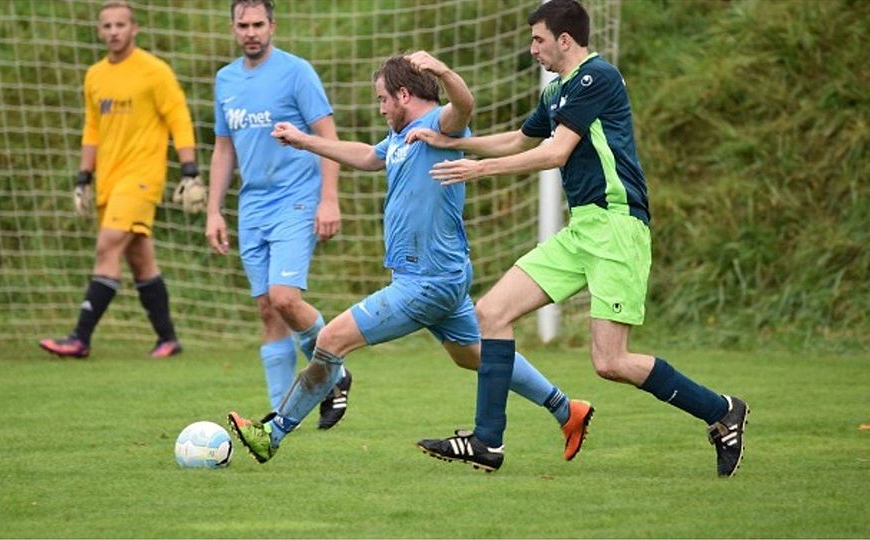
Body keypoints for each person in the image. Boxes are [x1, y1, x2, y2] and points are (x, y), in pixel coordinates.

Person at [409, 0, 749, 477]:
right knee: (491, 313)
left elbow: (556, 152)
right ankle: (487, 442)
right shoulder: (556, 93)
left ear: (564, 40)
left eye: (538, 40)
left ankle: (721, 410)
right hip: (582, 229)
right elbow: (519, 141)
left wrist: (479, 168)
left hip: (616, 227)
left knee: (609, 362)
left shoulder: (597, 77)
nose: (533, 50)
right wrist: (452, 143)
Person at [226, 51, 593, 471]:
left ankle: (270, 435)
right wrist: (304, 139)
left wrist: (441, 70)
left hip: (425, 281)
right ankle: (567, 410)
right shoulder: (399, 137)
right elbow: (367, 156)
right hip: (439, 276)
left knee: (330, 341)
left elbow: (465, 105)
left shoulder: (439, 125)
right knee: (474, 355)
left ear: (404, 94)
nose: (381, 108)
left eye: (383, 99)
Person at [206, 0, 351, 429]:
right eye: (242, 25)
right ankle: (278, 416)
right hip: (252, 207)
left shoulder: (296, 72)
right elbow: (223, 148)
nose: (250, 32)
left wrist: (330, 199)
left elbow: (329, 138)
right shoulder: (225, 79)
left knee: (286, 298)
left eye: (258, 24)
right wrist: (214, 211)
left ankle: (335, 372)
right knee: (268, 310)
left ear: (272, 26)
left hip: (296, 199)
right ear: (233, 29)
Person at [39, 0, 203, 359]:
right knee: (140, 259)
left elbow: (179, 117)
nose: (113, 31)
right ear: (100, 31)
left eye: (120, 25)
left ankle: (79, 337)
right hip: (108, 180)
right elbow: (92, 128)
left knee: (107, 246)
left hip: (142, 177)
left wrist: (190, 171)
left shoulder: (153, 71)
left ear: (134, 29)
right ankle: (168, 338)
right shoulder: (95, 75)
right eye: (107, 26)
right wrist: (84, 176)